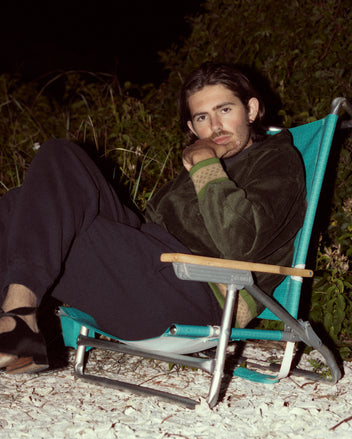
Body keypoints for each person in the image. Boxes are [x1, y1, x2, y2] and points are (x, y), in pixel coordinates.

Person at [0, 62, 306, 374]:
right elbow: (145, 229)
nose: (215, 126)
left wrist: (204, 166)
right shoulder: (193, 174)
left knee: (32, 202)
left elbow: (239, 242)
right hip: (151, 272)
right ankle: (14, 323)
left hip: (200, 297)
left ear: (251, 110)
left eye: (225, 109)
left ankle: (18, 319)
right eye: (202, 117)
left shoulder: (277, 161)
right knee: (45, 172)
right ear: (191, 128)